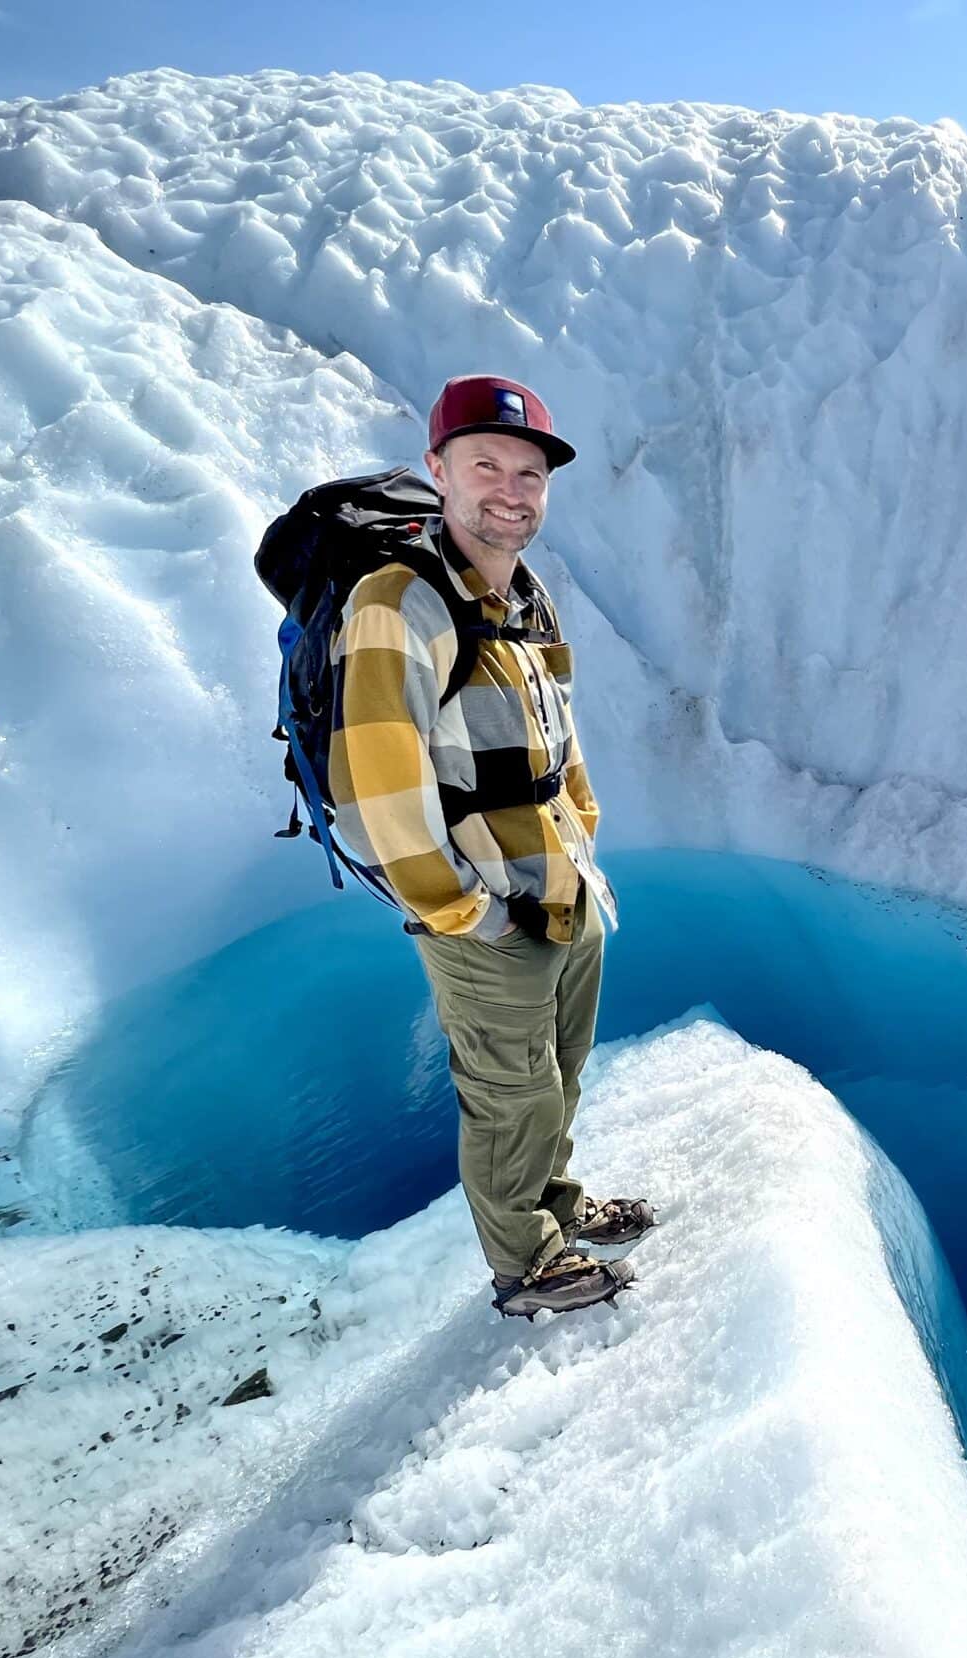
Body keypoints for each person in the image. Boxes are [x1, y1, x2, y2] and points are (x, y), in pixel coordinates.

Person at [327, 373, 653, 1315]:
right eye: (486, 466)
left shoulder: (524, 597)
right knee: (508, 1094)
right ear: (438, 472)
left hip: (561, 889)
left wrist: (582, 844)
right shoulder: (398, 603)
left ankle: (559, 1207)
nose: (511, 489)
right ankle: (525, 1267)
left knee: (556, 1075)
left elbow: (560, 741)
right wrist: (461, 909)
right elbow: (375, 785)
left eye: (529, 471)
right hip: (485, 911)